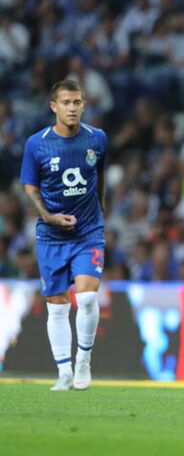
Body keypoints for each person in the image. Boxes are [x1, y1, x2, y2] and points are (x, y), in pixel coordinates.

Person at [19, 80, 107, 391]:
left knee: (86, 297)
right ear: (54, 106)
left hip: (88, 232)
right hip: (52, 236)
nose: (72, 108)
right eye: (67, 102)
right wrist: (47, 217)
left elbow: (101, 176)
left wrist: (100, 214)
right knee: (57, 306)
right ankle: (64, 371)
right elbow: (30, 187)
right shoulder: (37, 144)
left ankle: (84, 361)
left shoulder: (97, 139)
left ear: (84, 104)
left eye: (78, 102)